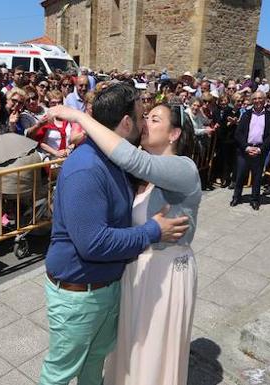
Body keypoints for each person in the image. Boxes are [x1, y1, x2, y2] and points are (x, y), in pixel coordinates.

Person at [38, 83, 189, 385]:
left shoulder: (116, 159)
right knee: (59, 375)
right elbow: (93, 243)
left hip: (105, 290)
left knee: (94, 367)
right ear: (126, 123)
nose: (145, 122)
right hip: (78, 295)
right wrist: (152, 231)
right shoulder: (87, 167)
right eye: (142, 116)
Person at [230, 91, 270, 210]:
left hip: (259, 150)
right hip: (245, 150)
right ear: (252, 100)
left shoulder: (269, 116)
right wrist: (246, 147)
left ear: (264, 100)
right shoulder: (246, 114)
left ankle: (255, 199)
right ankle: (236, 197)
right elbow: (238, 133)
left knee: (257, 177)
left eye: (260, 98)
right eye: (255, 98)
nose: (257, 101)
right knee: (240, 175)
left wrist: (261, 149)